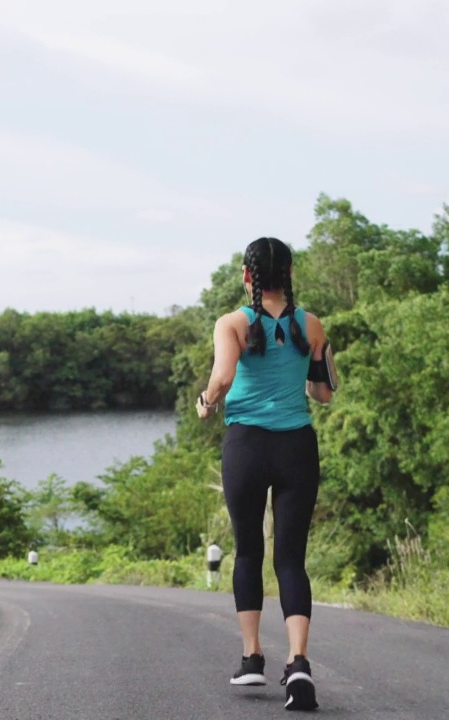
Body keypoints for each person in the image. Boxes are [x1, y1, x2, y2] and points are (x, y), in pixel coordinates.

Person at [196, 237, 337, 712]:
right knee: (291, 558)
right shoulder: (311, 325)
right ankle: (298, 663)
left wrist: (205, 403)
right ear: (290, 274)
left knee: (249, 550)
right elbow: (323, 394)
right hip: (297, 446)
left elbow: (223, 377)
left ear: (246, 275)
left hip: (248, 446)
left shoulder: (233, 323)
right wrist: (316, 355)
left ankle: (252, 657)